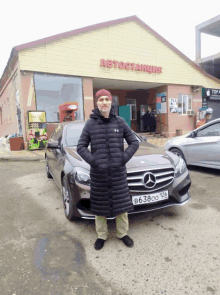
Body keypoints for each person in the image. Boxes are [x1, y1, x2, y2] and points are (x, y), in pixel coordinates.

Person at [77, 89, 139, 250]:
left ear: (111, 102)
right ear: (97, 103)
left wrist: (122, 159)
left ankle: (123, 234)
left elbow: (134, 142)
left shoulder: (120, 122)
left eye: (107, 99)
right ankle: (101, 236)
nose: (104, 102)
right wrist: (94, 162)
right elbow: (81, 147)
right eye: (101, 99)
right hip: (98, 174)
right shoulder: (90, 124)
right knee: (99, 207)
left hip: (118, 173)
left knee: (121, 206)